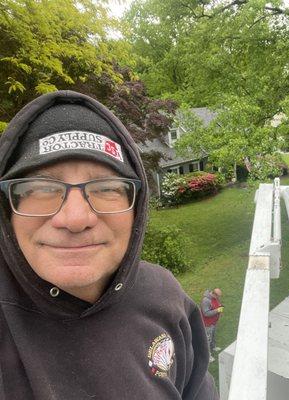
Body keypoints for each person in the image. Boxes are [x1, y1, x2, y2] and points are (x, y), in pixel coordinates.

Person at [0, 91, 218, 399]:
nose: (75, 219)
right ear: (7, 208)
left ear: (136, 208)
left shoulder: (165, 297)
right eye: (40, 188)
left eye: (106, 188)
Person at [201, 288, 224, 362]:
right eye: (218, 296)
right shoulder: (206, 301)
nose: (219, 298)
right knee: (207, 339)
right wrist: (217, 310)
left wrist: (220, 307)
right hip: (207, 323)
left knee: (213, 335)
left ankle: (213, 347)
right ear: (214, 294)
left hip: (213, 322)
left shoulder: (214, 298)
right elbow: (206, 313)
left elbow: (217, 305)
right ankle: (208, 356)